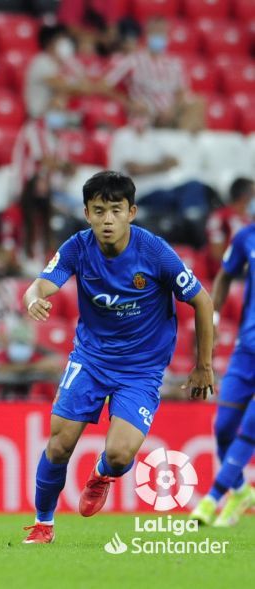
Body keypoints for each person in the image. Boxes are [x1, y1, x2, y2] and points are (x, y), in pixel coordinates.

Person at [20, 171, 214, 544]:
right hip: (91, 360)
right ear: (87, 213)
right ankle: (43, 524)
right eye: (99, 211)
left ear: (132, 212)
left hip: (141, 369)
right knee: (59, 444)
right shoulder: (78, 247)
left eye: (115, 210)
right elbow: (40, 284)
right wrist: (34, 300)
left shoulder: (155, 252)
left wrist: (203, 365)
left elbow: (201, 301)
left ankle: (102, 474)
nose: (107, 219)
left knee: (122, 455)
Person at [188, 222, 255, 527]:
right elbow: (226, 274)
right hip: (246, 352)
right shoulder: (246, 237)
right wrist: (213, 315)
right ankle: (241, 492)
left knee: (249, 429)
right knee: (224, 427)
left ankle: (211, 498)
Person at [104, 16, 204, 132]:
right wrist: (128, 103)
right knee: (141, 119)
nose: (159, 36)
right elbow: (105, 85)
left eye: (162, 32)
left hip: (170, 113)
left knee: (198, 104)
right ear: (147, 34)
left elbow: (182, 92)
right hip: (145, 112)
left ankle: (182, 144)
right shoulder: (133, 60)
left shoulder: (174, 64)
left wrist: (172, 109)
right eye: (155, 32)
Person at [0, 318, 63, 402]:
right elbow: (2, 370)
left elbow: (55, 363)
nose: (21, 347)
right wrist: (36, 367)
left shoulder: (33, 356)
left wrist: (49, 368)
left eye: (24, 343)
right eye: (17, 342)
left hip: (19, 406)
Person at [23, 23, 93, 121]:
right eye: (61, 39)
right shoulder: (42, 61)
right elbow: (64, 86)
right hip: (39, 118)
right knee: (64, 104)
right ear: (50, 43)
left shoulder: (59, 64)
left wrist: (70, 61)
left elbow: (83, 86)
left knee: (84, 116)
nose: (65, 43)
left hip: (54, 117)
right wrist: (84, 85)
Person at [203, 177, 253, 279]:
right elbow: (216, 254)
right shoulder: (220, 217)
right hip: (230, 275)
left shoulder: (250, 220)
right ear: (245, 196)